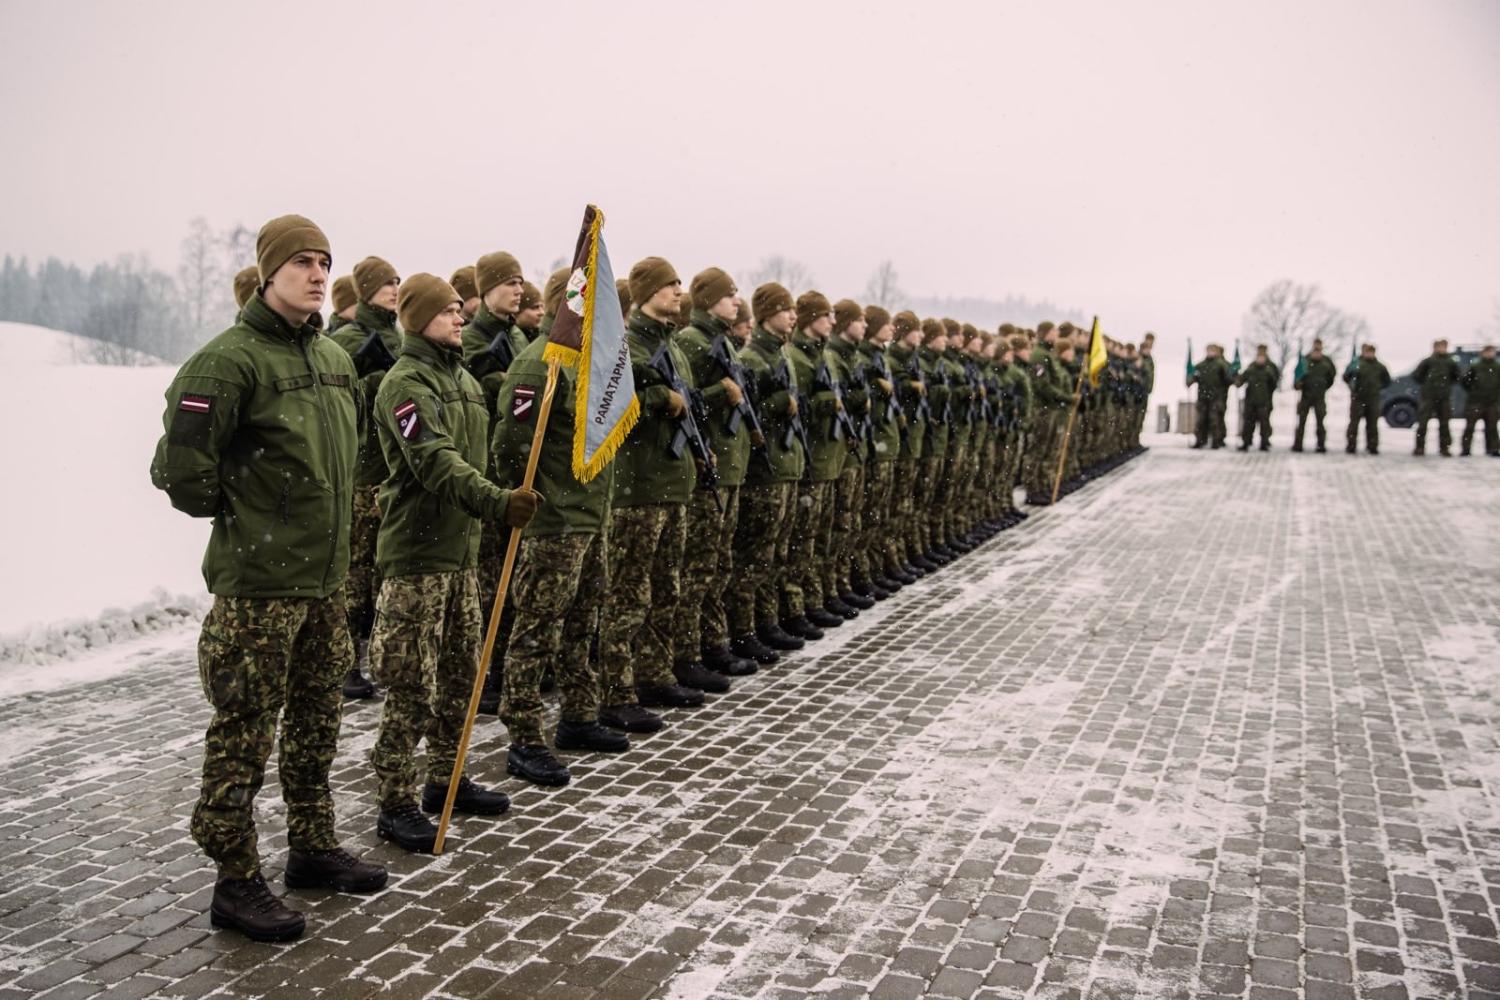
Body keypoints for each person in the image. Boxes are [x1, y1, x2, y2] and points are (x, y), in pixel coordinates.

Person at [150, 215, 386, 942]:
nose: (317, 274)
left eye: (324, 262)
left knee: (319, 719)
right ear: (269, 271)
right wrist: (249, 518)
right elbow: (179, 472)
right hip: (257, 591)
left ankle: (312, 847)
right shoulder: (226, 363)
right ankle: (235, 877)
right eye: (302, 263)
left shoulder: (333, 360)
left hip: (324, 583)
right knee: (245, 729)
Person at [367, 274, 540, 852]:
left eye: (457, 311)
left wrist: (499, 495)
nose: (458, 319)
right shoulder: (404, 384)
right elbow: (434, 463)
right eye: (444, 312)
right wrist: (496, 503)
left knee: (460, 678)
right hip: (417, 557)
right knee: (412, 683)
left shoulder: (464, 379)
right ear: (416, 319)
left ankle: (446, 780)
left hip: (461, 553)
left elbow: (480, 458)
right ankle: (395, 799)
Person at [490, 303, 630, 788]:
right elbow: (511, 443)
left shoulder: (593, 363)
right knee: (537, 629)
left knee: (581, 623)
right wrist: (526, 502)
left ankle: (578, 714)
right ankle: (525, 735)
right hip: (555, 521)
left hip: (590, 516)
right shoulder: (541, 362)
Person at [598, 257, 707, 733]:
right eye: (669, 284)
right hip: (637, 488)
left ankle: (655, 674)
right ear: (644, 293)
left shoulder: (674, 348)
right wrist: (659, 400)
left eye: (680, 283)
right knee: (628, 593)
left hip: (673, 482)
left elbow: (691, 403)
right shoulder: (623, 346)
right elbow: (610, 409)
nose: (679, 291)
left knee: (667, 586)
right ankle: (616, 690)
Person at [673, 268, 760, 683]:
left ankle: (714, 643)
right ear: (708, 300)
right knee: (700, 565)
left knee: (718, 562)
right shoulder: (691, 341)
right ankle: (689, 652)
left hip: (729, 465)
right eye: (729, 295)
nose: (736, 301)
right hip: (709, 467)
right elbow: (687, 405)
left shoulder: (720, 340)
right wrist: (718, 394)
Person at [328, 256, 405, 701]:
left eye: (396, 281)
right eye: (385, 283)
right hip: (365, 468)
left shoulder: (394, 334)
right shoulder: (350, 338)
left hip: (392, 465)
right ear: (365, 290)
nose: (393, 288)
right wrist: (373, 382)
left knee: (381, 567)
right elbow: (341, 399)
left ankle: (374, 652)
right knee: (357, 568)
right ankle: (345, 661)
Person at [728, 282, 808, 657]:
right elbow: (746, 418)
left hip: (786, 464)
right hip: (765, 471)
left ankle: (768, 621)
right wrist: (778, 403)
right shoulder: (752, 360)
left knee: (775, 551)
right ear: (765, 314)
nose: (793, 315)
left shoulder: (782, 355)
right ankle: (745, 629)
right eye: (784, 308)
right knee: (754, 554)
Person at [785, 291, 852, 627]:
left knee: (823, 534)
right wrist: (825, 403)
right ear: (812, 318)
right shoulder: (796, 357)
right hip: (811, 459)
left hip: (828, 457)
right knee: (803, 539)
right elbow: (796, 411)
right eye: (826, 315)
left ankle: (818, 596)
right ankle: (797, 605)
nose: (832, 321)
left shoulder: (821, 356)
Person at [1413, 338, 1461, 456]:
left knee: (1444, 424)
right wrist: (1427, 386)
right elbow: (1417, 375)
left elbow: (1457, 376)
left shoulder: (1450, 363)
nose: (1441, 349)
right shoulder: (1428, 362)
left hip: (1444, 397)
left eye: (1443, 346)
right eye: (1439, 346)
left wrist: (1446, 386)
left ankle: (1444, 448)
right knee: (1423, 423)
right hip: (1428, 397)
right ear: (1434, 347)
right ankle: (1419, 447)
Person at [1344, 343, 1390, 454]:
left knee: (1372, 424)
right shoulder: (1356, 364)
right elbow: (1346, 377)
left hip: (1373, 399)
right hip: (1358, 398)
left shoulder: (1380, 367)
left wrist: (1377, 388)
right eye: (1367, 351)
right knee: (1354, 424)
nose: (1369, 354)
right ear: (1363, 352)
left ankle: (1372, 446)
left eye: (1371, 352)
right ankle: (1351, 445)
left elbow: (1387, 381)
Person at [1292, 339, 1337, 453]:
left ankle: (1321, 445)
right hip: (1305, 397)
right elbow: (1297, 376)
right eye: (1315, 347)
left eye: (1319, 347)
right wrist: (1298, 384)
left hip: (1319, 398)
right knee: (1301, 422)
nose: (1317, 350)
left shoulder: (1327, 362)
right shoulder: (1305, 361)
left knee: (1320, 423)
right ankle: (1298, 444)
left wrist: (1324, 387)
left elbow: (1331, 377)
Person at [1234, 343, 1280, 451]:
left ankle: (1264, 442)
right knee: (1248, 424)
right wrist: (1237, 379)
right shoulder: (1251, 367)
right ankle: (1246, 442)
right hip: (1250, 401)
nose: (1260, 357)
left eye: (1262, 355)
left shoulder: (1271, 367)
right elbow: (1241, 380)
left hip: (1264, 401)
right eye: (1259, 355)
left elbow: (1274, 383)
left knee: (1264, 424)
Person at [1189, 343, 1233, 449]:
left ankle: (1216, 441)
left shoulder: (1221, 364)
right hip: (1203, 397)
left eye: (1213, 351)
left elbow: (1229, 378)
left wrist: (1232, 378)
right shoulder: (1201, 365)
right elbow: (1191, 377)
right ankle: (1200, 440)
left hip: (1216, 398)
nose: (1211, 353)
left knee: (1215, 420)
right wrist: (1191, 378)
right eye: (1209, 351)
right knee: (1201, 421)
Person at [1460, 344, 1499, 456]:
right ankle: (1466, 449)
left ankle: (1493, 449)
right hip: (1475, 402)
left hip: (1492, 402)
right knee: (1470, 427)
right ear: (1483, 353)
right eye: (1487, 352)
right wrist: (1474, 392)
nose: (1490, 354)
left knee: (1492, 427)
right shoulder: (1475, 367)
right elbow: (1465, 381)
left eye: (1491, 352)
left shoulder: (1497, 367)